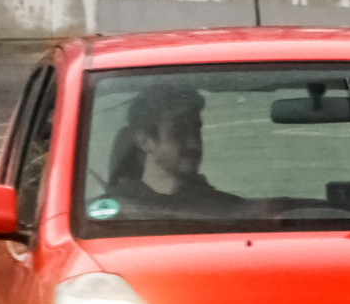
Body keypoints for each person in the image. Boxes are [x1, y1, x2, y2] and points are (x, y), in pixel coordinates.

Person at [101, 86, 252, 220]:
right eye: (178, 132)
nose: (193, 143)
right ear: (144, 142)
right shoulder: (110, 218)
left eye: (196, 130)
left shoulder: (229, 211)